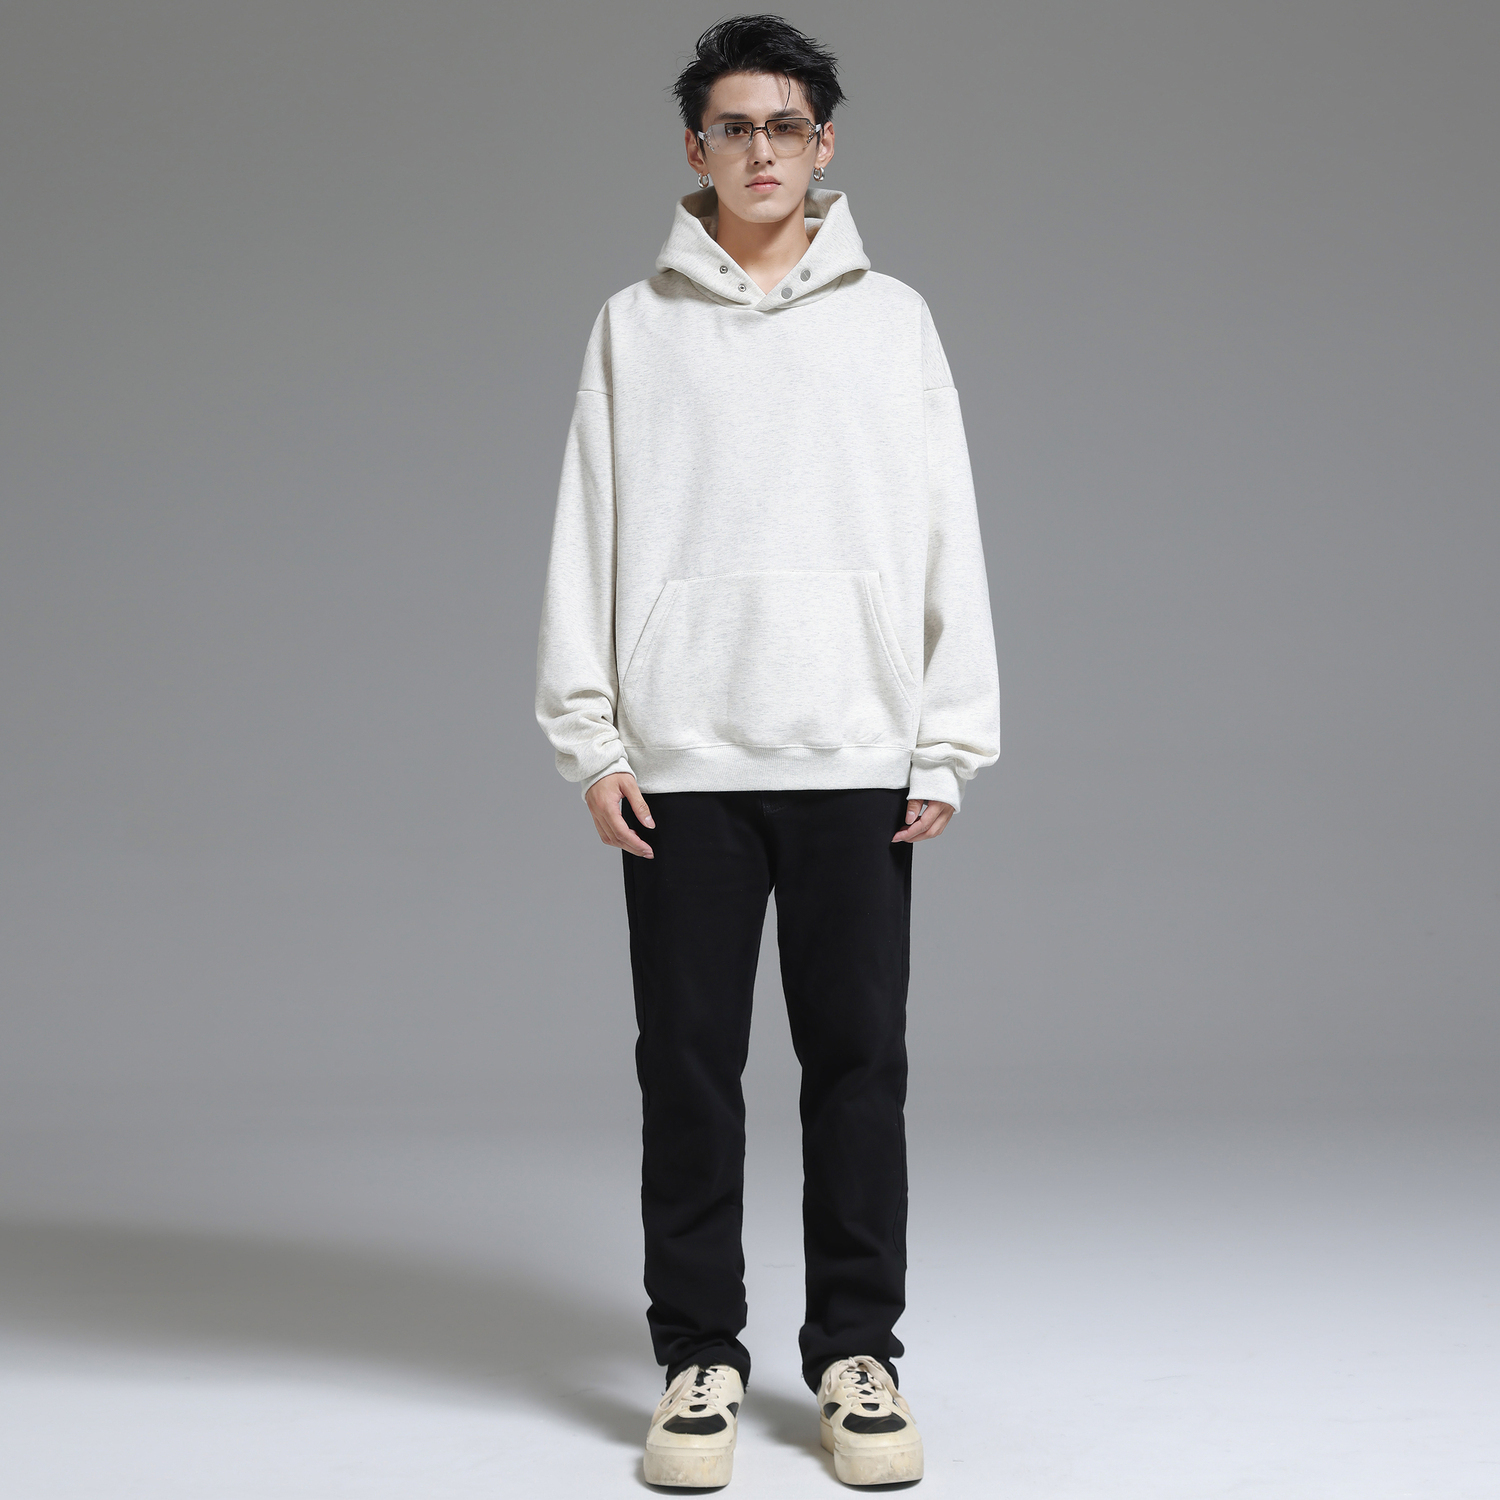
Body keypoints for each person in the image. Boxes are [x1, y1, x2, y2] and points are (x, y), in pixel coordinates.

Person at [534, 14, 999, 1488]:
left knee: (859, 1067)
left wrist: (947, 740)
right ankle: (700, 1360)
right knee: (688, 1070)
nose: (759, 151)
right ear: (695, 148)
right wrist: (589, 736)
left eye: (784, 126)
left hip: (857, 754)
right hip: (684, 765)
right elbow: (587, 533)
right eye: (732, 127)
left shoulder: (895, 323)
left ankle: (858, 1356)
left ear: (824, 144)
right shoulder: (634, 327)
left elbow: (948, 531)